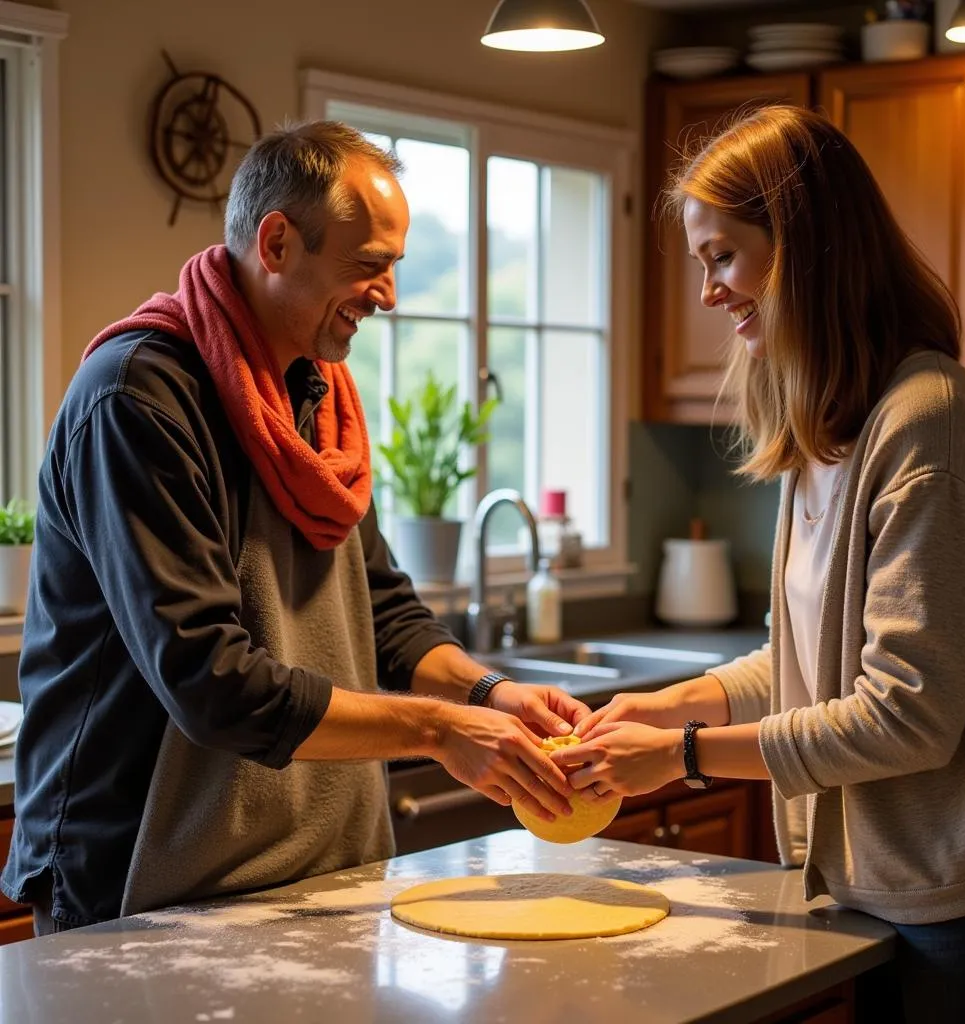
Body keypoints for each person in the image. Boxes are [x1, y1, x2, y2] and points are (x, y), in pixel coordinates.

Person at [2, 121, 590, 936]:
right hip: (137, 876)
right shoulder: (138, 400)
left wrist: (493, 694)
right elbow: (210, 681)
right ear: (276, 243)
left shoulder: (317, 401)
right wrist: (440, 729)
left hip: (305, 868)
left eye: (393, 267)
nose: (387, 295)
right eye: (368, 265)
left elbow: (382, 611)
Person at [549, 105, 965, 1024]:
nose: (708, 293)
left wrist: (682, 757)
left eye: (722, 256)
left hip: (959, 896)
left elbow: (908, 717)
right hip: (856, 885)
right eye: (701, 263)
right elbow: (800, 667)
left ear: (805, 247)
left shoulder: (927, 425)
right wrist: (673, 704)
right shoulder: (818, 432)